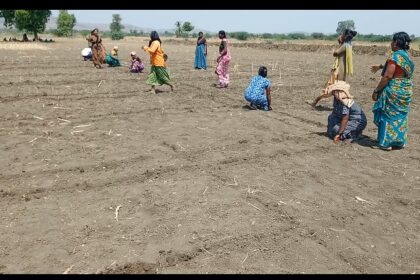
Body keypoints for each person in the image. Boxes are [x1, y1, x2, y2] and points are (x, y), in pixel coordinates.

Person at [371, 32, 415, 151]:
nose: (390, 43)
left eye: (392, 41)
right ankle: (399, 142)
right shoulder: (408, 57)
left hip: (394, 92)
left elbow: (387, 76)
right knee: (401, 116)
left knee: (388, 115)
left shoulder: (395, 56)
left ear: (396, 43)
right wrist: (380, 66)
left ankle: (385, 142)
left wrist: (376, 91)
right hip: (405, 90)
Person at [310, 29, 357, 107]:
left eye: (342, 34)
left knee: (334, 87)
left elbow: (335, 53)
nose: (340, 35)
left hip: (338, 70)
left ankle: (347, 103)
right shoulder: (348, 46)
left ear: (344, 36)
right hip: (341, 71)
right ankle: (315, 101)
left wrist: (340, 43)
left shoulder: (345, 46)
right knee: (335, 88)